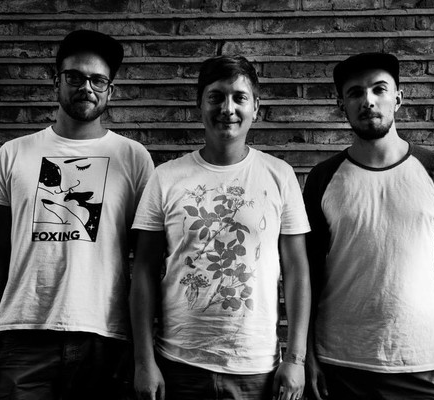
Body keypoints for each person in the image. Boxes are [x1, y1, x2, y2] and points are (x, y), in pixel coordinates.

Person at [130, 55, 312, 400]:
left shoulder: (279, 175)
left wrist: (296, 359)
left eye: (239, 97)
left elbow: (297, 271)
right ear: (200, 104)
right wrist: (144, 361)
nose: (228, 108)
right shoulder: (166, 178)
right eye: (215, 97)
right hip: (178, 364)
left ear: (255, 107)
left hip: (256, 369)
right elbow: (142, 271)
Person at [0, 29, 154, 399]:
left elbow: (146, 258)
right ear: (57, 82)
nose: (86, 87)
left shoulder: (133, 158)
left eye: (98, 80)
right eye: (75, 77)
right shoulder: (13, 153)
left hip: (104, 336)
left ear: (111, 90)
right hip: (23, 334)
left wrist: (142, 350)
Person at [303, 52, 434, 400]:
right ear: (342, 105)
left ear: (398, 97)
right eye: (355, 93)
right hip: (340, 362)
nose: (368, 101)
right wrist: (306, 355)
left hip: (423, 362)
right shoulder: (323, 178)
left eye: (379, 89)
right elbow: (308, 275)